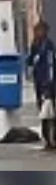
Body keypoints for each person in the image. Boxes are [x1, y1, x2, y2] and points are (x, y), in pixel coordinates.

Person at [26, 20, 56, 149]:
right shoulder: (35, 45)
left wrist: (49, 84)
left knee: (50, 112)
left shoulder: (48, 46)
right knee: (44, 112)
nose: (37, 33)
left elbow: (50, 66)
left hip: (48, 83)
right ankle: (47, 139)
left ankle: (52, 139)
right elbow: (30, 61)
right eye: (36, 31)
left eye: (39, 31)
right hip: (39, 83)